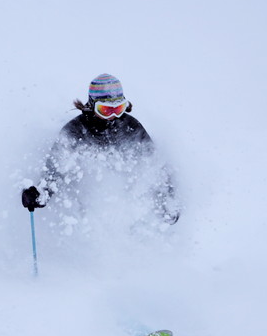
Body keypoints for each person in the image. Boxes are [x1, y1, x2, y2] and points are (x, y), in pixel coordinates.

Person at [21, 74, 180, 229]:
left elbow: (154, 165)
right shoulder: (75, 131)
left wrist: (167, 199)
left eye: (118, 109)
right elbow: (55, 170)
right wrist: (40, 195)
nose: (112, 116)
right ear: (91, 105)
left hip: (124, 208)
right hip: (87, 212)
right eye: (105, 110)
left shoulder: (130, 128)